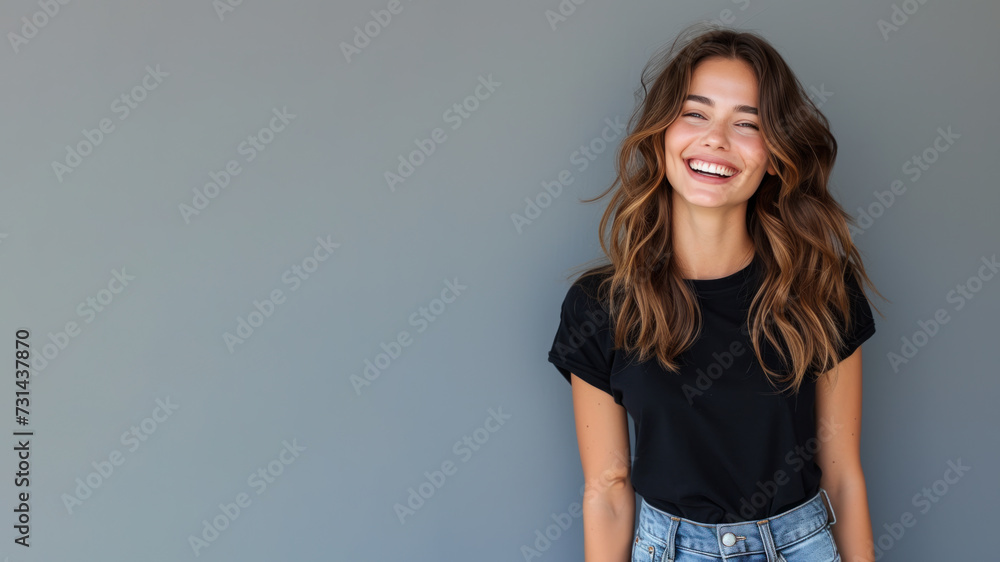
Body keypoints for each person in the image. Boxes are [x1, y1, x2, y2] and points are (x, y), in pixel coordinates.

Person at [546, 23, 886, 562]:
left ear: (775, 155)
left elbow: (843, 476)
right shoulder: (599, 307)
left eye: (747, 123)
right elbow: (607, 489)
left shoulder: (822, 288)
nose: (716, 139)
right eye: (695, 114)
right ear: (661, 134)